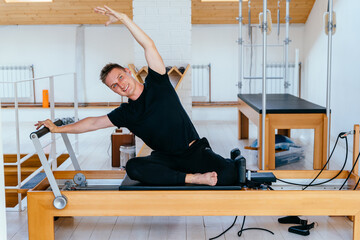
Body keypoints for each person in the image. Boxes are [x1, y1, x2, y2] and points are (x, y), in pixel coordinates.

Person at [35, 6, 237, 186]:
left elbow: (148, 45)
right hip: (167, 159)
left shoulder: (157, 83)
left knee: (232, 174)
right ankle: (192, 178)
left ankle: (229, 162)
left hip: (195, 153)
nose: (121, 85)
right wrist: (57, 129)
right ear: (113, 90)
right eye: (114, 85)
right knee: (133, 167)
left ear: (128, 71)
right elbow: (92, 123)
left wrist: (124, 19)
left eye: (120, 77)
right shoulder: (126, 113)